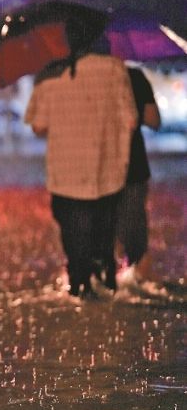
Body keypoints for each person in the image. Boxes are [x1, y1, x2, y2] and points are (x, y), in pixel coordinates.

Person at [24, 36, 137, 299]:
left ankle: (78, 281)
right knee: (104, 230)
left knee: (73, 233)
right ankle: (105, 275)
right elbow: (130, 121)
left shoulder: (49, 73)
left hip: (66, 173)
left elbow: (38, 125)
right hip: (107, 171)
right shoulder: (114, 69)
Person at [116, 67, 161, 285]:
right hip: (133, 164)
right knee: (134, 231)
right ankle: (138, 275)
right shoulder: (134, 77)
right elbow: (154, 119)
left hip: (93, 168)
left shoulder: (77, 76)